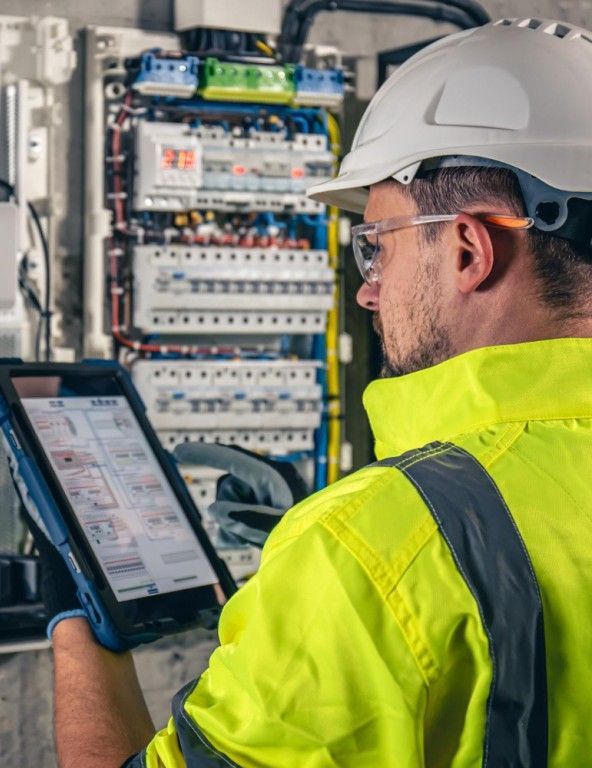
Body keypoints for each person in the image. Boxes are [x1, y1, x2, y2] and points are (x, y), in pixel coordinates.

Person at [44, 18, 592, 767]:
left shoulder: (367, 548)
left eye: (378, 247)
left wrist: (76, 611)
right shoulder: (382, 544)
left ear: (469, 249)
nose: (369, 293)